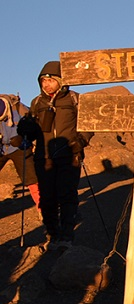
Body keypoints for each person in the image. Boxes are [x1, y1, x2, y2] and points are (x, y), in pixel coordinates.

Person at [17, 61, 92, 250]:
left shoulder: (74, 99)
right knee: (47, 198)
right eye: (43, 81)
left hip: (70, 156)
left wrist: (80, 142)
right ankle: (52, 234)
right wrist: (25, 129)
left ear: (60, 80)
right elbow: (34, 132)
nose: (46, 84)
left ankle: (66, 237)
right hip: (44, 157)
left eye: (50, 80)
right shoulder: (37, 103)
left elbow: (89, 123)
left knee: (67, 195)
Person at [0, 94, 41, 210]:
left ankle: (43, 208)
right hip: (2, 147)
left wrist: (23, 138)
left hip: (20, 146)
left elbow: (33, 126)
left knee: (32, 179)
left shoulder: (16, 109)